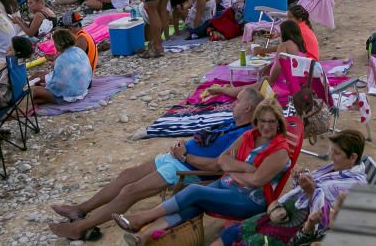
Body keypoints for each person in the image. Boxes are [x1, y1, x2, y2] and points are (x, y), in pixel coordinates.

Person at [49, 88, 264, 240]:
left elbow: (217, 167)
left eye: (239, 101)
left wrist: (184, 156)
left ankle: (80, 228)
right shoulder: (234, 120)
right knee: (126, 175)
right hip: (179, 158)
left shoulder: (243, 135)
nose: (233, 103)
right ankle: (80, 209)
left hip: (187, 168)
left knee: (130, 190)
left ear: (248, 108)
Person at [114, 100, 293, 236]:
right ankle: (145, 237)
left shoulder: (279, 152)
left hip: (250, 201)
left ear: (279, 122)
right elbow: (222, 160)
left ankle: (142, 218)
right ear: (256, 120)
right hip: (229, 185)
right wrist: (245, 168)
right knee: (194, 203)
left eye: (271, 121)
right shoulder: (250, 135)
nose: (266, 126)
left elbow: (256, 181)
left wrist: (232, 171)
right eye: (262, 121)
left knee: (194, 192)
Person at [213, 130, 368, 246]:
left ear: (353, 157)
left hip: (299, 227)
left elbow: (327, 222)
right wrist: (301, 178)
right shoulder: (338, 170)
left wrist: (310, 192)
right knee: (237, 231)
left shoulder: (352, 187)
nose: (331, 156)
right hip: (288, 212)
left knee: (252, 240)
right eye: (332, 151)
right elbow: (315, 186)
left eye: (337, 153)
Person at [32, 29, 93, 105]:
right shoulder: (78, 50)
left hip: (69, 96)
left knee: (35, 90)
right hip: (82, 89)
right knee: (40, 77)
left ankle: (18, 97)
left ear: (59, 44)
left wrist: (47, 86)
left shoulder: (61, 59)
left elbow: (58, 85)